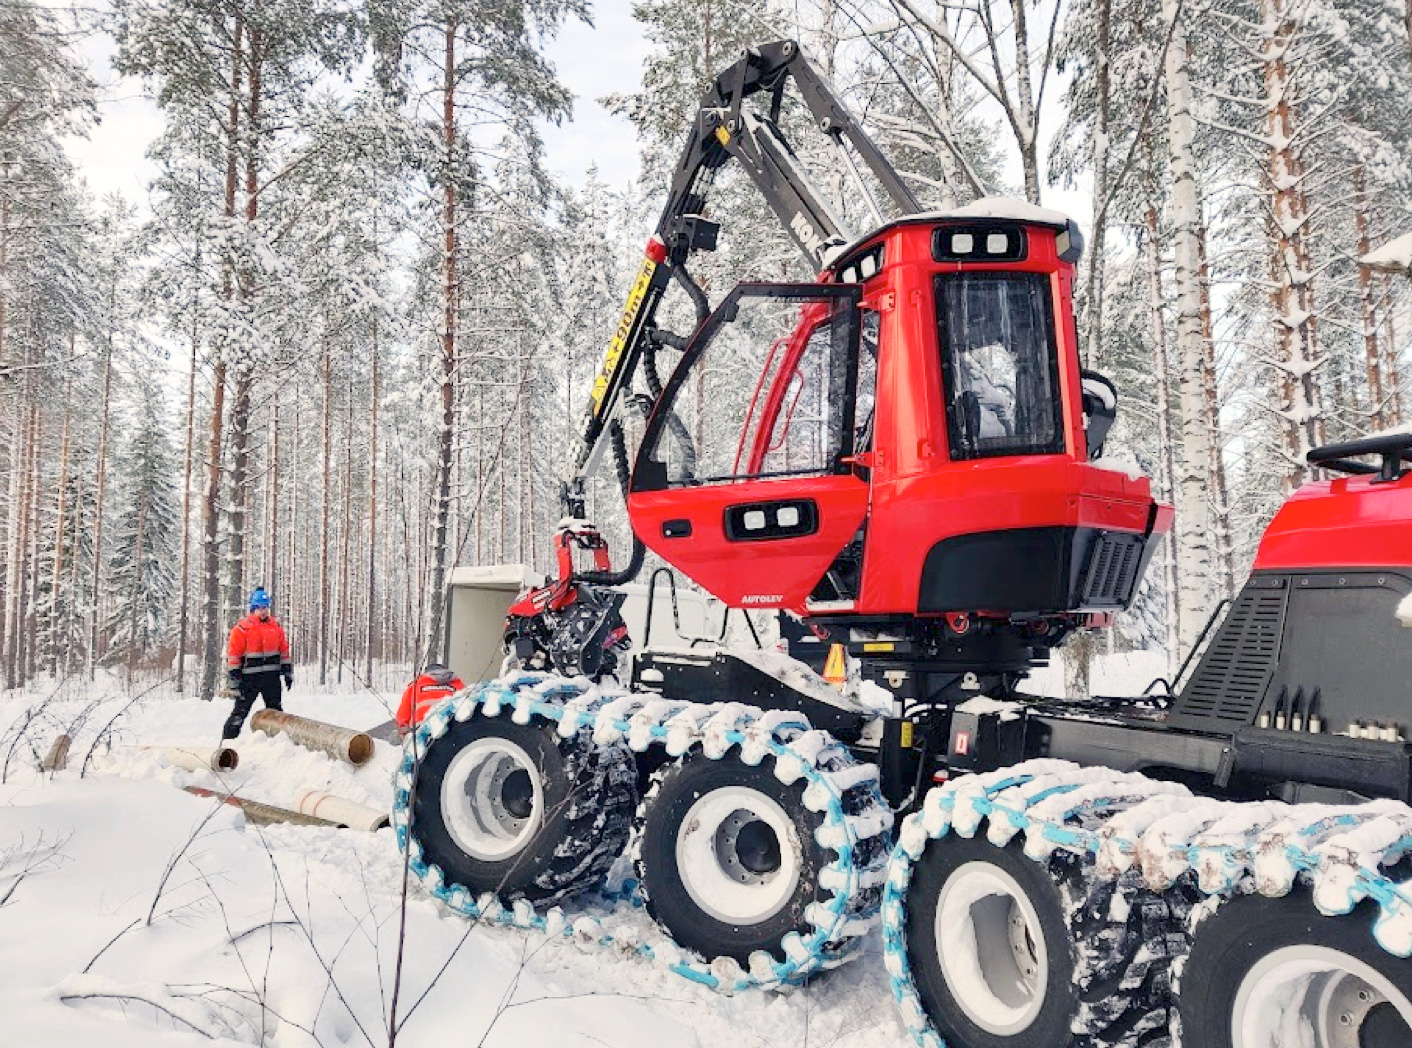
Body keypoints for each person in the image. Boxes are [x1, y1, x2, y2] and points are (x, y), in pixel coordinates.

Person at [223, 588, 292, 741]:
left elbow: (284, 650)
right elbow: (234, 653)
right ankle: (227, 744)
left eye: (266, 607)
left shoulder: (275, 627)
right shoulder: (242, 629)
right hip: (249, 679)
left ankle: (277, 745)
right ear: (253, 609)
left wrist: (287, 672)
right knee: (240, 713)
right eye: (260, 608)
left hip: (271, 678)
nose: (264, 611)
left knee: (276, 714)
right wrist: (234, 675)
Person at [396, 664, 465, 734]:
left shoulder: (416, 684)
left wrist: (405, 734)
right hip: (452, 730)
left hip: (422, 732)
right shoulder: (457, 683)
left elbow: (403, 717)